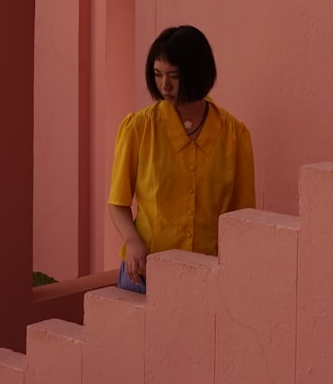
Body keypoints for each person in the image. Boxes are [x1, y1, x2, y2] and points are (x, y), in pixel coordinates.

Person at [108, 25, 255, 293]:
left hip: (209, 275)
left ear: (197, 74)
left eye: (174, 76)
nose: (164, 85)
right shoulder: (139, 128)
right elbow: (117, 203)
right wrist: (131, 240)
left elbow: (242, 217)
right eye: (158, 75)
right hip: (147, 273)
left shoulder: (234, 135)